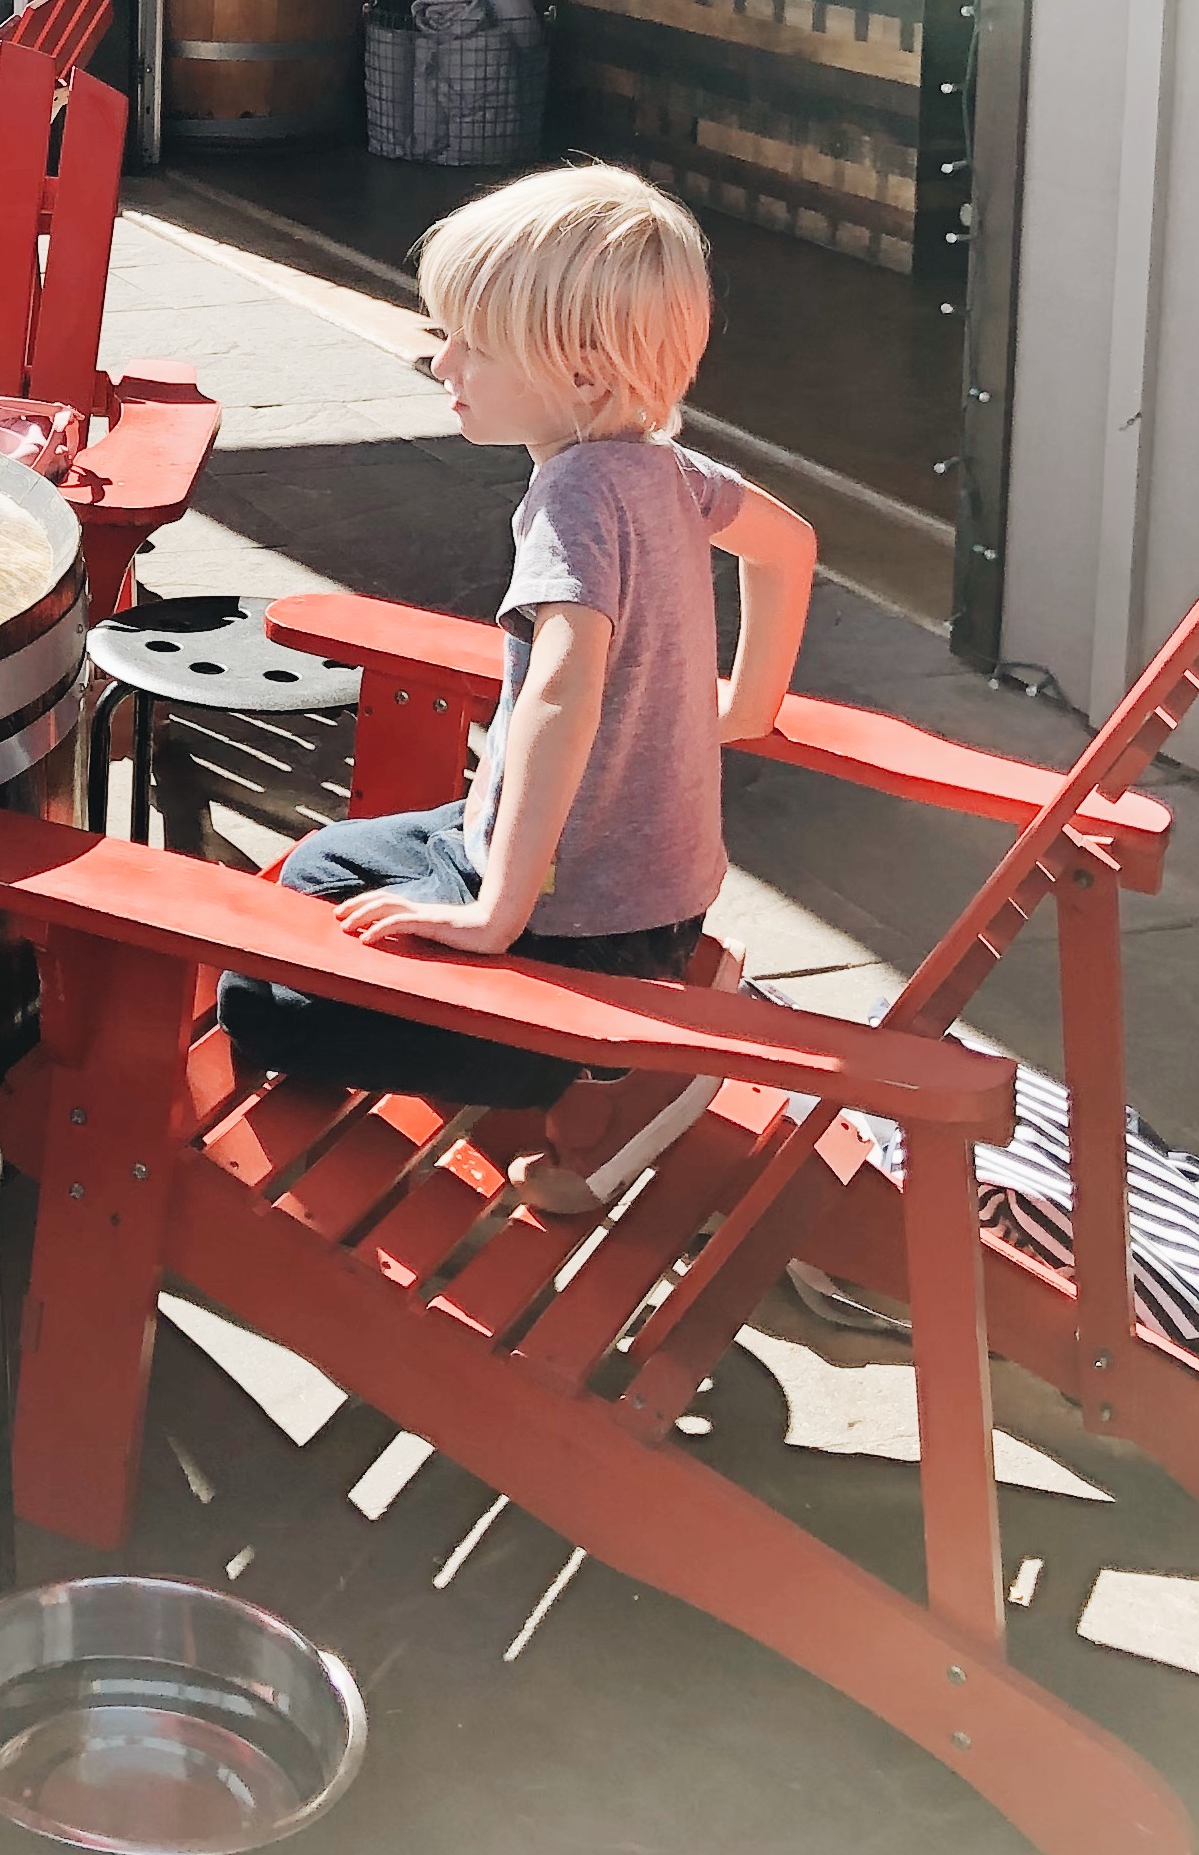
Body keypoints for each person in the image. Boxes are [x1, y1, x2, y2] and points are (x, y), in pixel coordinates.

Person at [213, 162, 816, 1190]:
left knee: (254, 1006)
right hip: (633, 895)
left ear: (581, 376)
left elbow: (560, 691)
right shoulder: (668, 471)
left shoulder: (575, 502)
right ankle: (645, 998)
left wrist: (492, 914)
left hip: (567, 931)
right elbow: (791, 546)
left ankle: (613, 1072)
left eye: (469, 345)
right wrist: (746, 708)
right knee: (319, 870)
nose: (438, 358)